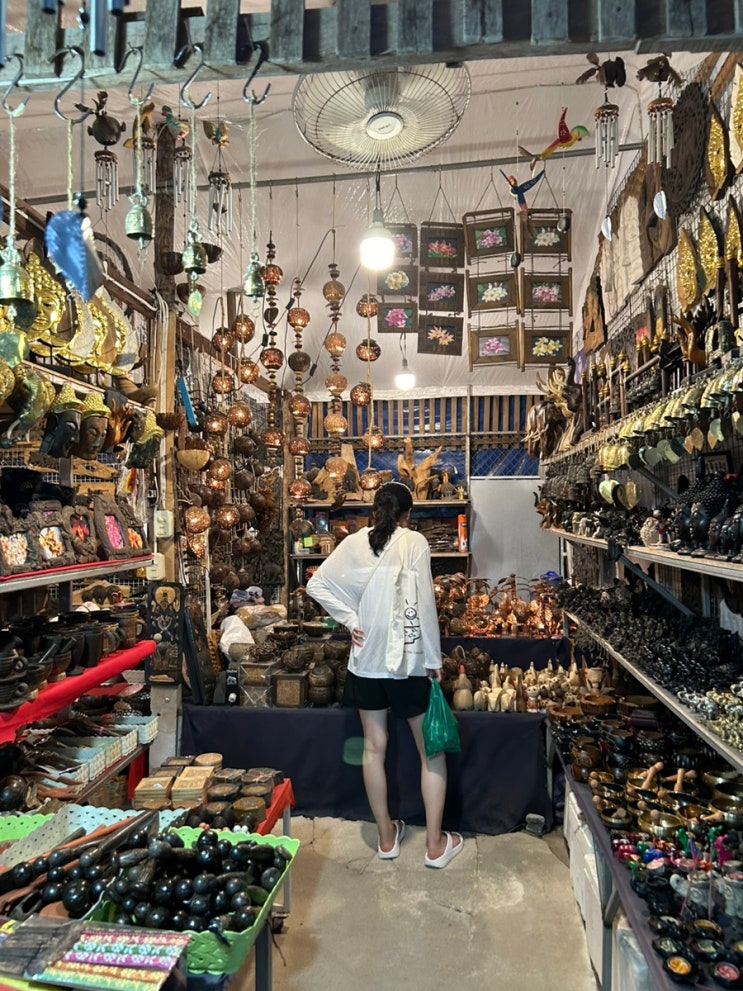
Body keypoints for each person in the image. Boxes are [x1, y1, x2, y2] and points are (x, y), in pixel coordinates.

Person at [306, 481, 463, 869]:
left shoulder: (354, 542)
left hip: (366, 661)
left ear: (375, 510)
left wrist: (351, 620)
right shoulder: (414, 542)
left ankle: (387, 838)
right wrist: (433, 657)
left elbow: (316, 584)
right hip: (408, 662)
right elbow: (423, 605)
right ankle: (434, 845)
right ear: (407, 514)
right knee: (431, 752)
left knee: (373, 749)